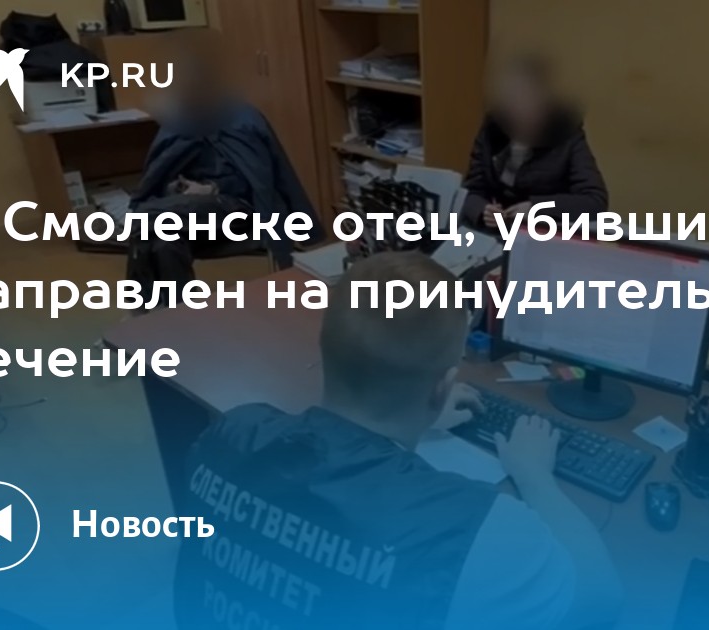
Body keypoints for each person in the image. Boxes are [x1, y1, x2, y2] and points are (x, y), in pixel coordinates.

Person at [174, 252, 623, 630]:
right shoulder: (476, 532)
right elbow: (601, 604)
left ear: (324, 350)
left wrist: (414, 422)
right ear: (442, 387)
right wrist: (535, 476)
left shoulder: (232, 431)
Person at [126, 48, 322, 309]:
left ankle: (142, 309)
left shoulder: (243, 119)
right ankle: (180, 313)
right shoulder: (178, 123)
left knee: (147, 219)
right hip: (185, 214)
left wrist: (212, 188)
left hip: (238, 210)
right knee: (163, 241)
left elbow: (262, 180)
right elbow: (159, 177)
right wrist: (177, 187)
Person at [460, 55, 609, 233]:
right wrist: (482, 210)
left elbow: (594, 200)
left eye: (526, 98)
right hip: (498, 231)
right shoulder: (493, 127)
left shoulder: (567, 133)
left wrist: (537, 208)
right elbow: (472, 189)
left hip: (543, 233)